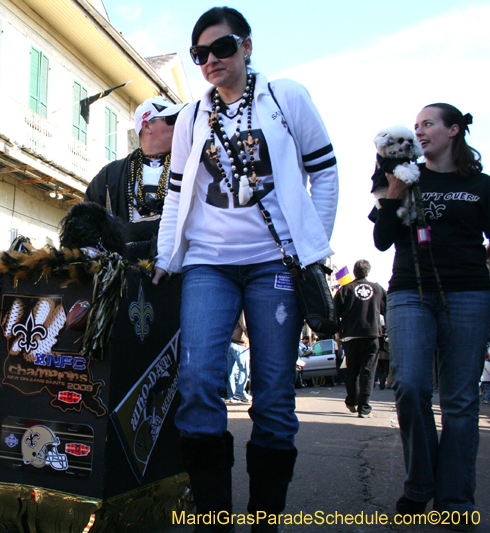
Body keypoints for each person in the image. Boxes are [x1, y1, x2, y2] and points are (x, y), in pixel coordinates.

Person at [151, 7, 338, 532]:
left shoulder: (285, 98)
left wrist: (311, 248)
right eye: (200, 54)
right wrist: (168, 257)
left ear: (248, 46)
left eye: (223, 47)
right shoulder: (189, 117)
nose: (212, 60)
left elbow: (324, 172)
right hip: (209, 262)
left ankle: (265, 523)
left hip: (274, 263)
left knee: (274, 393)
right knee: (198, 381)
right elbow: (173, 195)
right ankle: (214, 519)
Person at [373, 103, 490, 530]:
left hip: (470, 294)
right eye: (416, 125)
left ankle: (455, 497)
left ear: (454, 130)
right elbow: (383, 241)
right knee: (410, 385)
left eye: (428, 124)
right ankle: (419, 485)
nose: (419, 132)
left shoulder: (480, 184)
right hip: (409, 291)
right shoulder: (405, 177)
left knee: (461, 400)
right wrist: (392, 197)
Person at [85, 96, 186, 245]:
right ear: (147, 126)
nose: (178, 125)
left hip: (176, 261)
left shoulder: (189, 167)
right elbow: (87, 221)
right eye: (171, 119)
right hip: (125, 263)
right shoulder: (111, 174)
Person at [333, 259, 386, 418]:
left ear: (354, 272)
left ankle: (352, 400)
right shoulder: (378, 289)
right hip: (372, 335)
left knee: (352, 371)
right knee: (369, 371)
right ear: (367, 272)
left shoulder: (345, 290)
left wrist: (337, 332)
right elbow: (387, 309)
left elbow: (335, 313)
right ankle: (364, 407)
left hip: (351, 336)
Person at [226, 312, 250, 403]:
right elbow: (245, 327)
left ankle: (231, 395)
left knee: (230, 371)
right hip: (240, 344)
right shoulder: (242, 312)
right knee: (244, 369)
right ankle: (239, 393)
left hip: (230, 343)